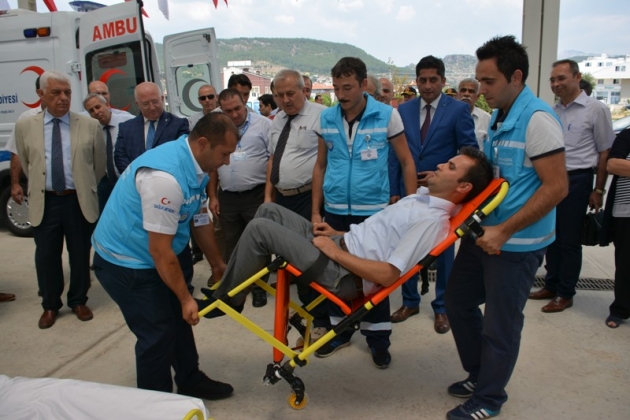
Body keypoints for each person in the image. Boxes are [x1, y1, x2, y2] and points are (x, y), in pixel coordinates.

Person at [213, 147, 492, 325]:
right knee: (268, 210)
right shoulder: (420, 200)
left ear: (463, 187)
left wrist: (335, 251)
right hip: (340, 247)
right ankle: (233, 289)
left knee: (260, 229)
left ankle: (228, 299)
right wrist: (338, 234)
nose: (441, 165)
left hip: (342, 273)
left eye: (451, 167)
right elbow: (380, 238)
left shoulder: (431, 221)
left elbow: (388, 275)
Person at [444, 35, 568, 420]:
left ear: (515, 77)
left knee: (501, 325)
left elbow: (556, 187)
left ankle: (489, 399)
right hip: (484, 235)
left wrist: (505, 231)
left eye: (489, 81)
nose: (482, 90)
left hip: (515, 244)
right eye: (480, 80)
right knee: (457, 301)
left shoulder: (537, 120)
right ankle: (480, 375)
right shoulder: (501, 115)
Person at [91, 112, 237, 400]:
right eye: (225, 154)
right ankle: (155, 403)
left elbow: (199, 218)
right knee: (157, 333)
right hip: (127, 262)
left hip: (163, 251)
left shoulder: (196, 164)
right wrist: (184, 298)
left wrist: (217, 264)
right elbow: (160, 251)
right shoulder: (164, 179)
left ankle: (189, 379)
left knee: (180, 322)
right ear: (203, 143)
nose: (228, 161)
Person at [311, 57, 417, 368]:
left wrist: (410, 206)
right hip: (334, 210)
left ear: (363, 84)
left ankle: (378, 340)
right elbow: (320, 166)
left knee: (373, 278)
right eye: (336, 88)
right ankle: (340, 333)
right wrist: (316, 211)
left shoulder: (387, 116)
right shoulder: (326, 118)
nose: (341, 94)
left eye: (347, 87)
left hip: (373, 212)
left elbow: (407, 162)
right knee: (336, 275)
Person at [389, 55, 477, 334]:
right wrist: (394, 190)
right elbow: (395, 154)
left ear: (443, 80)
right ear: (416, 81)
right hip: (408, 190)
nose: (427, 86)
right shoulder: (403, 110)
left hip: (443, 194)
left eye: (433, 80)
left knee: (443, 250)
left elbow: (469, 153)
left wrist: (445, 175)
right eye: (423, 80)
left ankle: (442, 307)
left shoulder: (458, 110)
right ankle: (410, 301)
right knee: (406, 247)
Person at [14, 70, 106, 329]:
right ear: (41, 94)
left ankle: (78, 300)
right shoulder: (26, 126)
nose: (63, 98)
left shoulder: (89, 125)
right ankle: (50, 305)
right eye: (56, 92)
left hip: (77, 201)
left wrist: (82, 186)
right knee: (46, 257)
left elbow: (98, 166)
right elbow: (27, 161)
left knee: (79, 254)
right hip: (46, 202)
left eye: (67, 92)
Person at [529, 59, 614, 313]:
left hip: (578, 180)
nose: (556, 84)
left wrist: (598, 190)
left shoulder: (596, 109)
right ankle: (551, 284)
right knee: (551, 236)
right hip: (551, 179)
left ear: (577, 77)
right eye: (552, 80)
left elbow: (605, 152)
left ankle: (566, 293)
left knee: (569, 240)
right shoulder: (551, 111)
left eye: (561, 78)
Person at [209, 88, 271, 308]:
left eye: (237, 108)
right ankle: (235, 288)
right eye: (228, 111)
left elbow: (272, 160)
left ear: (245, 102)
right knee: (231, 243)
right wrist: (212, 195)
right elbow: (212, 165)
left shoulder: (263, 125)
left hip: (256, 195)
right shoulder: (217, 127)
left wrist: (268, 197)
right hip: (227, 197)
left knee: (259, 244)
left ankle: (259, 288)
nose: (234, 114)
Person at [264, 69, 326, 220]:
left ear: (304, 91)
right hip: (281, 198)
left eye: (290, 94)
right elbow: (273, 158)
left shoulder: (322, 115)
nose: (285, 100)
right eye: (280, 95)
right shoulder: (278, 119)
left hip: (308, 197)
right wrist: (268, 197)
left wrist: (315, 211)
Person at [114, 82, 189, 174]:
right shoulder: (126, 128)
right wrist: (135, 176)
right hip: (135, 178)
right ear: (137, 104)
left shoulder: (178, 124)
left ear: (162, 99)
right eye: (145, 104)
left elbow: (182, 155)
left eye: (155, 101)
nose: (152, 107)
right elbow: (120, 157)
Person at [83, 93, 134, 212]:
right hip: (105, 182)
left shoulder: (128, 121)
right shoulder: (91, 130)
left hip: (126, 179)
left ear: (107, 105)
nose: (96, 112)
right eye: (91, 110)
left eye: (98, 107)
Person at [601, 128, 630, 328]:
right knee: (626, 263)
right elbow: (612, 164)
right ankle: (620, 309)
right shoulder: (627, 136)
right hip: (626, 211)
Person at [8, 76, 45, 206]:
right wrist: (15, 184)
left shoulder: (73, 119)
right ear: (40, 93)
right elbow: (17, 152)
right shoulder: (26, 119)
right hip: (40, 189)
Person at [458, 78, 492, 148]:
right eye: (463, 90)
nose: (466, 94)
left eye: (471, 91)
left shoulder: (487, 119)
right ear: (458, 94)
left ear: (477, 97)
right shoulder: (447, 115)